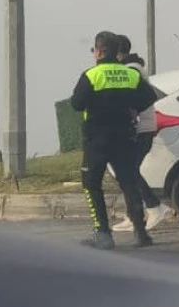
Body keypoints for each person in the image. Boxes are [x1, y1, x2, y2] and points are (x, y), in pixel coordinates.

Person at [70, 31, 157, 249]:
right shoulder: (130, 74)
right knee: (129, 182)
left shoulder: (91, 75)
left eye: (94, 50)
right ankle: (141, 232)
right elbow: (150, 96)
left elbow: (76, 104)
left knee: (92, 184)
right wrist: (133, 107)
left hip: (97, 138)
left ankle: (103, 234)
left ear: (99, 51)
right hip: (124, 136)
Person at [111, 34, 172, 233]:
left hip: (141, 129)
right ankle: (134, 214)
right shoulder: (132, 67)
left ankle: (154, 207)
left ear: (117, 52)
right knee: (127, 172)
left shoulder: (132, 70)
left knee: (128, 172)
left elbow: (136, 98)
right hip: (140, 128)